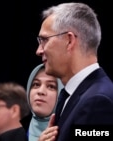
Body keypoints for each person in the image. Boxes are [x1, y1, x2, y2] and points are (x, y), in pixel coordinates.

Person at [36, 2, 113, 141]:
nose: (39, 51)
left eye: (44, 40)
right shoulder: (72, 95)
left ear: (69, 40)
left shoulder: (98, 101)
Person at [20, 64, 63, 141]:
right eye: (36, 84)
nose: (40, 91)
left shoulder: (70, 134)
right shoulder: (7, 138)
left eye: (51, 86)